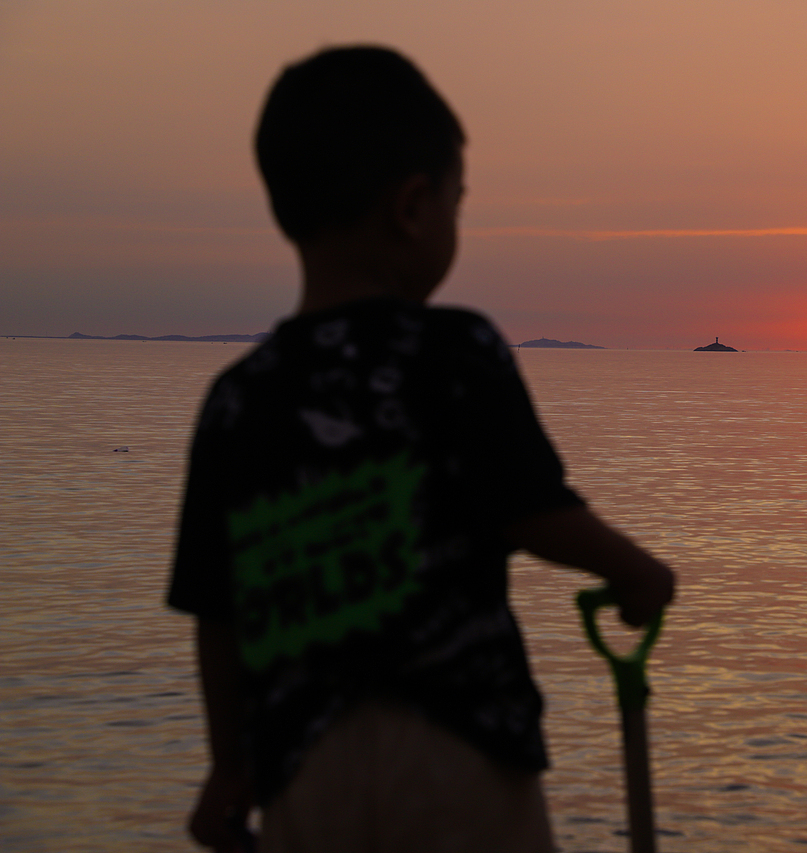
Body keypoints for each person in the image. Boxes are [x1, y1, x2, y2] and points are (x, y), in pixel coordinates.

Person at [167, 45, 676, 853]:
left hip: (306, 766)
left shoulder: (238, 398)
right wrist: (637, 571)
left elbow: (216, 610)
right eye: (456, 201)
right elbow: (533, 509)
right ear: (413, 206)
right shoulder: (453, 351)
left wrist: (229, 766)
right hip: (459, 749)